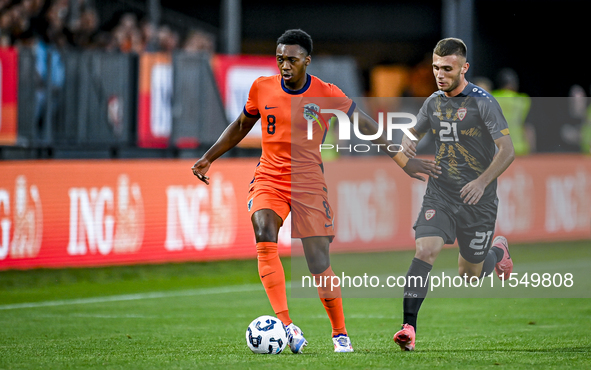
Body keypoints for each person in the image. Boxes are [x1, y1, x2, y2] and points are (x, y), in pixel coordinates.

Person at [192, 29, 440, 353]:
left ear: (306, 61)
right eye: (280, 58)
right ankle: (286, 324)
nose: (284, 65)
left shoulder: (326, 93)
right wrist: (208, 158)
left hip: (308, 183)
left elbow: (364, 124)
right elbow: (241, 124)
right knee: (264, 232)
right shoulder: (261, 87)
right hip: (270, 176)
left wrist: (402, 159)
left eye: (292, 60)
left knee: (317, 262)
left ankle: (340, 333)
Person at [394, 38, 515, 351]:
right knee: (425, 251)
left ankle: (497, 252)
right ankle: (409, 328)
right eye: (436, 67)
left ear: (464, 68)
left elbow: (507, 151)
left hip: (478, 199)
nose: (439, 74)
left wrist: (482, 181)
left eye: (447, 68)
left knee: (469, 274)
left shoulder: (483, 103)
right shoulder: (433, 102)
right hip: (442, 194)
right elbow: (414, 131)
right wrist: (407, 140)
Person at [492, 68, 534, 155]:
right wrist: (532, 148)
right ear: (514, 84)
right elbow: (527, 126)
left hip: (496, 147)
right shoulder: (522, 100)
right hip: (518, 147)